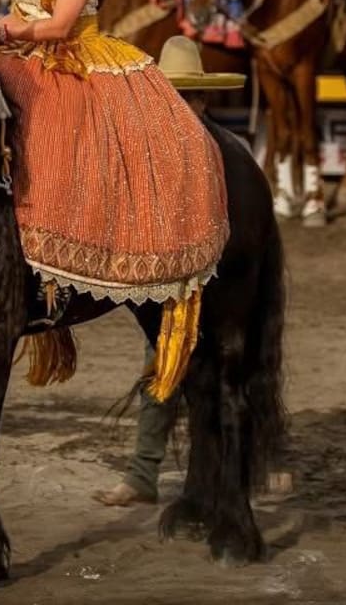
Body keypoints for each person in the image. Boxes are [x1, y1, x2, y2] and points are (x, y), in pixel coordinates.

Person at [0, 0, 229, 375]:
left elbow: (62, 23)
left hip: (74, 59)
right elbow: (20, 17)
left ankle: (59, 266)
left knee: (57, 139)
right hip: (22, 52)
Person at [91, 35, 247, 507]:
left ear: (202, 99)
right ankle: (144, 474)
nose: (179, 106)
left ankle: (244, 466)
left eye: (187, 96)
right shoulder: (148, 154)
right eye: (172, 96)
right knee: (160, 371)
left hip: (222, 286)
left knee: (229, 374)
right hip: (171, 287)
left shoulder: (230, 154)